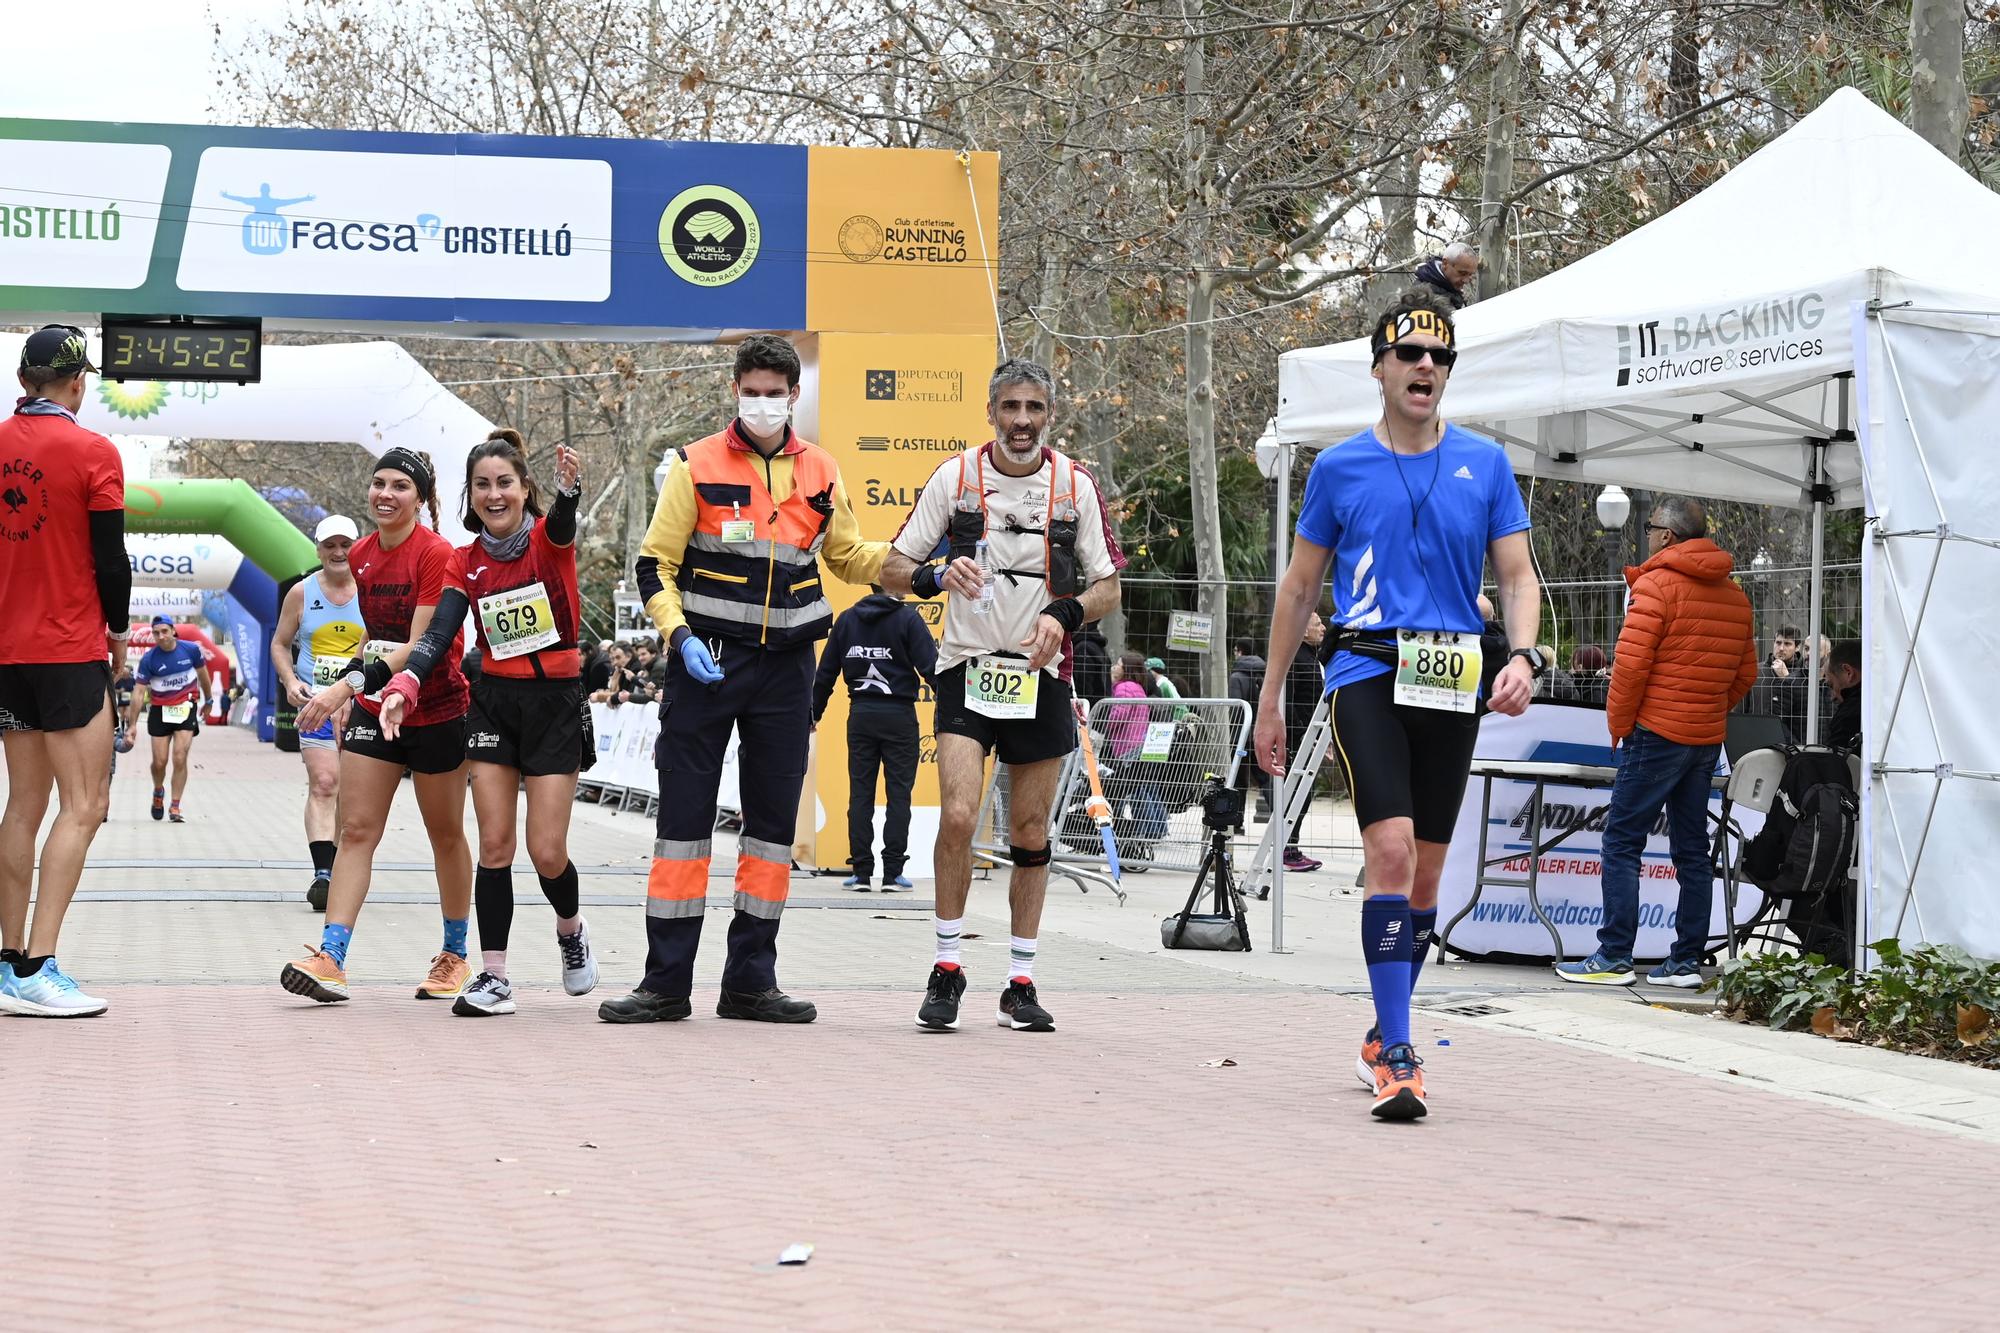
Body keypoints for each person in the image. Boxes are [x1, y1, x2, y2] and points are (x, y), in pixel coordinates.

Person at [1254, 289, 1541, 1120]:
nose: (1426, 366)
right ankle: (1402, 1053)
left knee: (1425, 876)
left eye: (1440, 356)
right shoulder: (1339, 465)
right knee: (1386, 852)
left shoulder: (1484, 462)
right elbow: (1301, 585)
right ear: (1378, 367)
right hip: (1367, 669)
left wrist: (1521, 654)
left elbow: (1518, 576)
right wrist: (1271, 698)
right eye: (1410, 354)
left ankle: (1382, 1031)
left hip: (1452, 679)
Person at [600, 334, 888, 1025]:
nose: (762, 402)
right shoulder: (694, 463)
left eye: (775, 392)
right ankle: (664, 983)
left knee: (768, 833)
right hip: (708, 662)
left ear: (795, 395)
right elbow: (654, 567)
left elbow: (848, 556)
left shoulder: (822, 468)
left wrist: (922, 563)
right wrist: (680, 635)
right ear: (735, 391)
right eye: (750, 391)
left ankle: (750, 983)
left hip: (787, 668)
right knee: (682, 828)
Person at [881, 355, 1125, 1034]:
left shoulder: (1074, 484)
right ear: (990, 412)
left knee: (1028, 830)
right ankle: (948, 963)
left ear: (1050, 414)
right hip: (966, 665)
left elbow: (1108, 585)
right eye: (1010, 408)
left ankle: (1020, 980)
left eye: (1034, 409)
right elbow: (890, 566)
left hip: (1040, 674)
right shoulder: (956, 477)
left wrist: (1065, 615)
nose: (1022, 422)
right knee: (957, 815)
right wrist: (934, 575)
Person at [378, 431, 599, 1017]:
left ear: (526, 491)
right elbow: (438, 633)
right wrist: (405, 681)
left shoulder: (550, 543)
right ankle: (495, 976)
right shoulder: (462, 562)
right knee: (495, 844)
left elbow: (562, 525)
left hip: (555, 703)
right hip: (495, 703)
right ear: (469, 496)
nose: (495, 495)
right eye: (483, 485)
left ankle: (571, 932)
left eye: (506, 484)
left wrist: (570, 492)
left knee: (547, 850)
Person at [286, 449, 474, 1004]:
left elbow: (419, 646)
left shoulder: (436, 554)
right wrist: (353, 682)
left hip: (435, 707)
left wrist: (345, 686)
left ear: (420, 498)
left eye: (399, 486)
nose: (384, 494)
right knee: (357, 830)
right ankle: (331, 958)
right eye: (377, 484)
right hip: (374, 709)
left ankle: (454, 956)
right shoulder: (362, 555)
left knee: (445, 835)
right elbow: (376, 639)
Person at [1556, 496, 1757, 989]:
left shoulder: (1655, 585)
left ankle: (1614, 955)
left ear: (1667, 535)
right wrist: (1709, 708)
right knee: (1692, 848)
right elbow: (1745, 674)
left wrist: (1620, 726)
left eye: (1649, 528)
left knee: (1622, 840)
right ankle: (1685, 961)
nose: (1644, 535)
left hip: (1656, 732)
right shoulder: (1735, 595)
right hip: (1705, 738)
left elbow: (1629, 667)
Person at [0, 326, 130, 1017]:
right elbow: (111, 559)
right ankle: (37, 966)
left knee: (23, 805)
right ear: (78, 383)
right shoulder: (93, 450)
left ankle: (5, 962)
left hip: (7, 654)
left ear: (25, 381)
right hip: (69, 647)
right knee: (85, 805)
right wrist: (118, 636)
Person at [812, 586, 938, 892]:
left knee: (860, 794)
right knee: (899, 796)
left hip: (861, 715)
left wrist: (813, 714)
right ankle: (893, 874)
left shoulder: (847, 620)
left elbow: (826, 672)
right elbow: (933, 670)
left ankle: (861, 873)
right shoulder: (908, 619)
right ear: (897, 587)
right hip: (899, 717)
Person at [271, 515, 366, 911]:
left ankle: (345, 867)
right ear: (318, 549)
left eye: (345, 544)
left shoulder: (373, 590)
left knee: (354, 796)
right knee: (325, 783)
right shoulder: (301, 592)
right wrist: (291, 682)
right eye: (330, 545)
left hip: (364, 704)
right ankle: (324, 875)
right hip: (317, 705)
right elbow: (279, 644)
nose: (338, 552)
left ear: (358, 547)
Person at [125, 617, 212, 824]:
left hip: (185, 708)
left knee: (180, 757)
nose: (161, 636)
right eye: (156, 633)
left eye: (164, 631)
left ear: (173, 630)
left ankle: (175, 804)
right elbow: (138, 693)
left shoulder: (191, 650)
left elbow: (203, 676)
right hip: (160, 711)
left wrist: (208, 700)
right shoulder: (149, 659)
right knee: (159, 762)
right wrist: (133, 725)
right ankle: (158, 791)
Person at [1104, 652, 1167, 852]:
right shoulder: (1139, 689)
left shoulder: (1124, 688)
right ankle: (1151, 829)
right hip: (1139, 743)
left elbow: (1119, 713)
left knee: (1125, 791)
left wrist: (1101, 722)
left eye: (1119, 664)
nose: (1115, 666)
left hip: (1125, 746)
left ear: (1127, 669)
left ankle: (1137, 830)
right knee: (1138, 789)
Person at [1281, 612, 1327, 872]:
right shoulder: (1295, 656)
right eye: (1317, 623)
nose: (1323, 627)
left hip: (1310, 737)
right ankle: (1288, 848)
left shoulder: (1312, 656)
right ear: (1302, 628)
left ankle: (1290, 846)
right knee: (1297, 793)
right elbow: (1288, 701)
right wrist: (1299, 733)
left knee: (1303, 794)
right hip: (1298, 739)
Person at [1229, 639, 1272, 820]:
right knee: (1264, 776)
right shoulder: (1264, 673)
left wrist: (1234, 735)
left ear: (1239, 651)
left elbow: (1236, 708)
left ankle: (1236, 821)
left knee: (1238, 778)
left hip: (1241, 735)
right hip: (1261, 732)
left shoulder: (1236, 677)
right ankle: (1282, 813)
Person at [1413, 240, 1480, 309]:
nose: (1466, 280)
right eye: (1462, 273)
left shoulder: (1450, 286)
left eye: (1470, 275)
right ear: (1445, 264)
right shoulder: (1423, 297)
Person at [1826, 638, 1862, 753]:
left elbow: (1833, 763)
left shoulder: (1849, 716)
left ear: (1848, 672)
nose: (1832, 697)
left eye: (1831, 685)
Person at [1069, 621, 1112, 704]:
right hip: (1099, 707)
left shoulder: (1083, 648)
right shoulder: (1097, 646)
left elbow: (1083, 687)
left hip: (1087, 708)